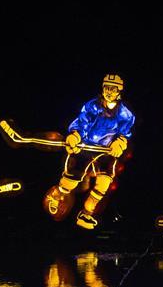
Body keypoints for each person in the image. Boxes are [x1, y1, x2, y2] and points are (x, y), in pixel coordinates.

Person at [43, 74, 135, 230]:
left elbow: (124, 133)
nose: (109, 92)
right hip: (86, 147)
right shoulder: (92, 106)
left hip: (105, 152)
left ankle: (87, 213)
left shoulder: (125, 114)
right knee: (72, 175)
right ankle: (58, 196)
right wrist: (76, 135)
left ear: (119, 91)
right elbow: (81, 122)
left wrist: (120, 142)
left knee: (104, 182)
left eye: (113, 89)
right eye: (107, 88)